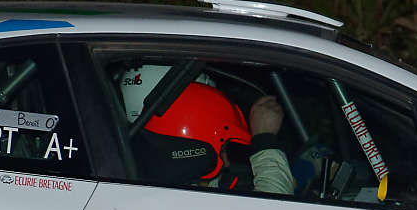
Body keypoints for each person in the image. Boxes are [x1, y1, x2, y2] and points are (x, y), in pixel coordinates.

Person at [118, 66, 294, 195]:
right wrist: (265, 140)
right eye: (222, 149)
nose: (225, 161)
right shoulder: (171, 195)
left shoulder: (136, 172)